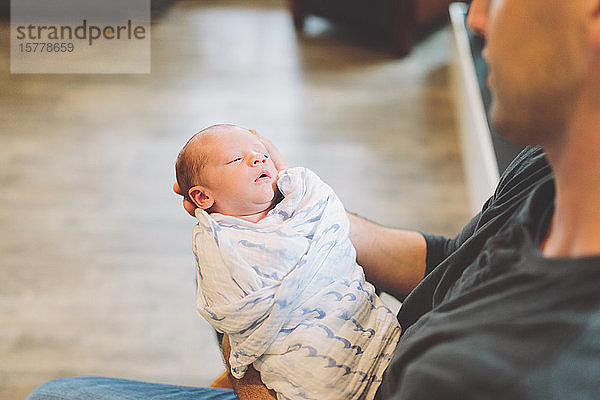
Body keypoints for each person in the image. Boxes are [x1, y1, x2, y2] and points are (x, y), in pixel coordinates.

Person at [26, 0, 600, 398]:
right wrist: (288, 220)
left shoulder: (511, 373)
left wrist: (251, 378)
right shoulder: (542, 172)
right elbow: (454, 261)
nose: (474, 18)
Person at [174, 124, 401, 400]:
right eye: (236, 159)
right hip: (305, 359)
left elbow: (325, 211)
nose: (258, 159)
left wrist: (291, 178)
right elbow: (228, 309)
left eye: (263, 154)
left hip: (361, 326)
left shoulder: (296, 209)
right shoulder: (216, 241)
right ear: (202, 197)